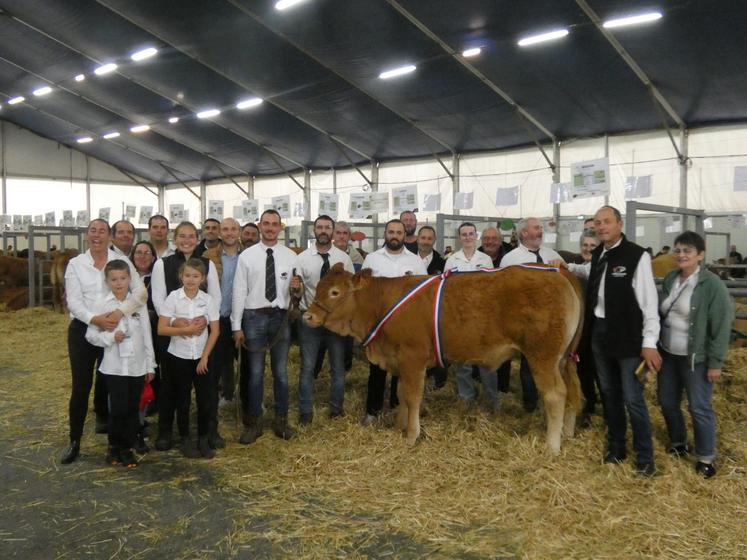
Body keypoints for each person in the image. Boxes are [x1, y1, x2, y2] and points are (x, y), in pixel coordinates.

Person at [583, 206, 661, 476]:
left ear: (619, 223)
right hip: (600, 331)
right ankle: (617, 447)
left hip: (628, 335)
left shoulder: (636, 256)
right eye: (598, 223)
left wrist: (649, 343)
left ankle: (645, 456)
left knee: (632, 397)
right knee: (609, 392)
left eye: (607, 222)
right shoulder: (598, 255)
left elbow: (650, 304)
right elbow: (592, 279)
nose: (602, 227)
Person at [60, 219, 143, 465]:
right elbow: (73, 301)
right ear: (86, 235)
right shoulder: (76, 264)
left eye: (102, 231)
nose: (97, 235)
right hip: (84, 329)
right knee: (81, 386)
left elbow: (140, 293)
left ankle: (115, 444)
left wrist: (119, 313)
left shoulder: (121, 260)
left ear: (110, 236)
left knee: (113, 385)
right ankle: (74, 441)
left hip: (115, 329)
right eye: (92, 231)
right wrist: (95, 319)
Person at [657, 231, 733, 478]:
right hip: (668, 354)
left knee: (699, 407)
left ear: (700, 255)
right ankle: (679, 442)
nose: (681, 255)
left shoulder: (712, 285)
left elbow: (721, 327)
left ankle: (706, 457)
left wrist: (715, 362)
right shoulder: (670, 279)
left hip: (695, 358)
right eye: (678, 250)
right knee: (667, 401)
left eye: (687, 251)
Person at [151, 221, 221, 451]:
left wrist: (204, 319)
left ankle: (209, 432)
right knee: (171, 387)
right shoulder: (163, 264)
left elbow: (215, 297)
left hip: (202, 335)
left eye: (191, 235)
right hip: (172, 333)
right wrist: (175, 321)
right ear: (175, 238)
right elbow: (158, 298)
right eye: (182, 235)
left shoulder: (208, 263)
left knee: (206, 389)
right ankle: (166, 432)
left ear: (197, 237)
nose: (187, 240)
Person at [232, 209, 299, 444]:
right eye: (267, 223)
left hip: (280, 317)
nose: (270, 228)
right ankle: (255, 422)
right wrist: (236, 326)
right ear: (260, 226)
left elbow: (295, 288)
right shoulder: (247, 256)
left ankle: (281, 421)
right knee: (256, 374)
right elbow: (239, 291)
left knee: (281, 373)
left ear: (281, 228)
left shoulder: (291, 256)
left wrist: (295, 292)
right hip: (254, 317)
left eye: (275, 224)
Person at [85, 260, 155, 468]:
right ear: (106, 281)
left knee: (133, 408)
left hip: (136, 365)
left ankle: (127, 449)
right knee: (118, 409)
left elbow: (147, 334)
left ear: (129, 279)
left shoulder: (137, 304)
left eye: (123, 278)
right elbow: (91, 335)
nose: (119, 283)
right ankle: (113, 448)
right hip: (114, 366)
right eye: (114, 279)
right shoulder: (101, 304)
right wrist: (109, 338)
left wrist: (150, 365)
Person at [360, 219, 427, 426]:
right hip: (379, 325)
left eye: (399, 232)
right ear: (385, 234)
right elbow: (362, 291)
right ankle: (373, 411)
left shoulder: (415, 261)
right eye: (391, 232)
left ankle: (399, 408)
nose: (395, 235)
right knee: (377, 369)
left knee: (403, 367)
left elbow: (425, 293)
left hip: (406, 326)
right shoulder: (372, 259)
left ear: (404, 235)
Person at [294, 215, 355, 425]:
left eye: (327, 228)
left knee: (337, 367)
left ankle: (336, 410)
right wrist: (296, 290)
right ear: (314, 231)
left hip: (334, 322)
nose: (323, 231)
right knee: (307, 366)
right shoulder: (302, 258)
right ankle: (305, 412)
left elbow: (350, 291)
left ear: (332, 231)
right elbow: (298, 288)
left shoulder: (343, 258)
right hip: (310, 320)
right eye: (319, 227)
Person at [499, 217, 563, 412]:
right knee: (528, 363)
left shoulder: (552, 255)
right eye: (536, 228)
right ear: (524, 233)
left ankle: (551, 399)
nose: (540, 231)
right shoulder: (510, 259)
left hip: (552, 319)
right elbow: (502, 291)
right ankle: (530, 404)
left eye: (541, 228)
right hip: (525, 319)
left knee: (554, 361)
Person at [446, 223, 501, 413]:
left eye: (471, 234)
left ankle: (492, 400)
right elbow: (446, 291)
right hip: (460, 318)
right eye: (464, 234)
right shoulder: (452, 260)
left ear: (475, 236)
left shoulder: (485, 259)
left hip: (482, 318)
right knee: (463, 363)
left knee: (486, 361)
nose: (468, 237)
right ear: (459, 237)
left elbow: (492, 288)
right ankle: (466, 398)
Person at [203, 218, 243, 409]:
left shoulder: (249, 256)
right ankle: (215, 401)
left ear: (239, 231)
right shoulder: (208, 256)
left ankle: (247, 401)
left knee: (246, 364)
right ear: (219, 233)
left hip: (243, 319)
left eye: (233, 229)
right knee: (215, 364)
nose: (229, 233)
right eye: (225, 229)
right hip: (218, 319)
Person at [477, 226, 513, 392]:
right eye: (486, 238)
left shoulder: (510, 256)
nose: (489, 242)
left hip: (505, 310)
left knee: (504, 347)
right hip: (480, 311)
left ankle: (502, 386)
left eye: (493, 239)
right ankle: (479, 381)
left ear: (500, 241)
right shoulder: (476, 255)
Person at [129, 240, 159, 423]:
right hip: (129, 333)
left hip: (153, 330)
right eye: (138, 252)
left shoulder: (157, 277)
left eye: (147, 253)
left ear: (154, 257)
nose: (142, 256)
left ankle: (151, 405)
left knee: (152, 368)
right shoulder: (125, 277)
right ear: (132, 256)